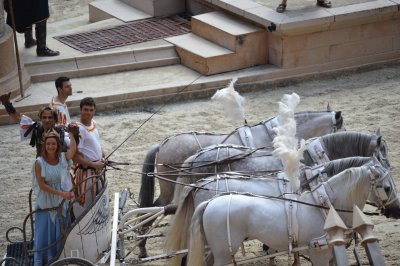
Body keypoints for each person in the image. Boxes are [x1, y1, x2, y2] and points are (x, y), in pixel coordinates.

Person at [32, 128, 76, 265]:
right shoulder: (39, 162)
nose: (51, 146)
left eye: (54, 144)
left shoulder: (62, 158)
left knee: (61, 229)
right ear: (44, 146)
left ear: (58, 145)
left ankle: (60, 259)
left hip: (61, 200)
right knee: (45, 232)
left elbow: (72, 152)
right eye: (48, 144)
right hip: (47, 199)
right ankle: (44, 261)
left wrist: (72, 136)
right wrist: (62, 193)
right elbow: (42, 185)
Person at [73, 97, 106, 214]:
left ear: (94, 111)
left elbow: (97, 144)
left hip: (98, 170)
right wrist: (93, 164)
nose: (89, 113)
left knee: (99, 202)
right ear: (80, 110)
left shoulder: (94, 123)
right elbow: (75, 156)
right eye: (86, 110)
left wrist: (105, 156)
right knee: (88, 207)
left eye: (91, 110)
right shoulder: (78, 129)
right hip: (87, 173)